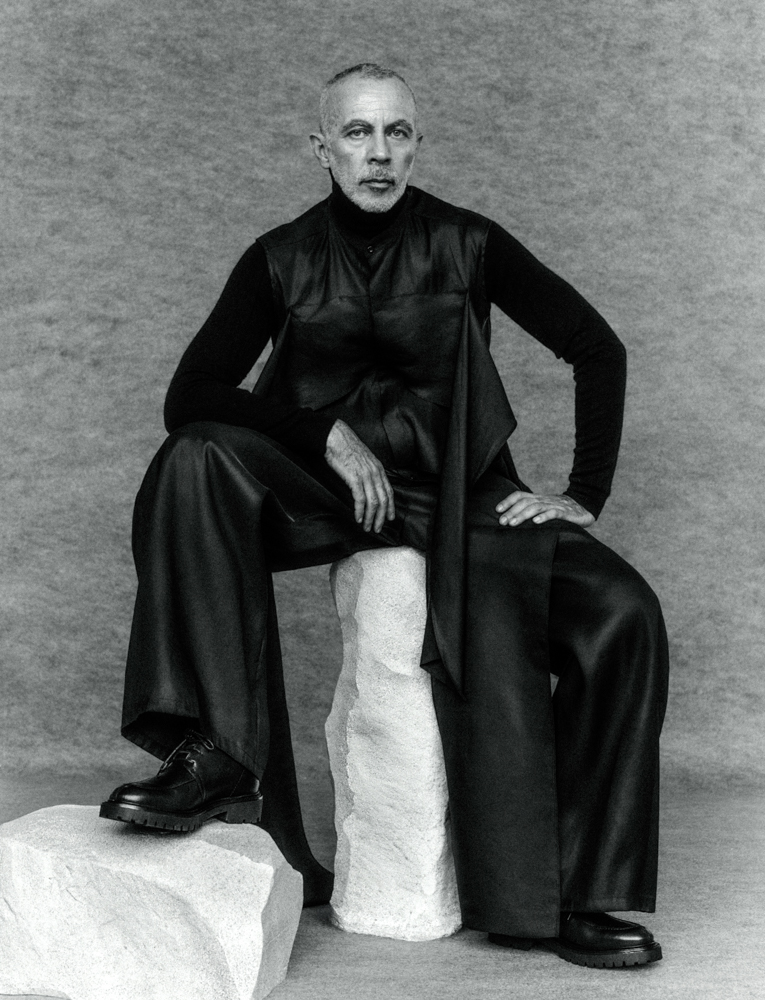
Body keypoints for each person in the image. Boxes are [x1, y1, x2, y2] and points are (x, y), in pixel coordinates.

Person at [101, 63, 669, 969]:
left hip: (455, 496)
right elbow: (191, 394)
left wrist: (582, 493)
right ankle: (214, 754)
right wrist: (322, 435)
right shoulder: (279, 256)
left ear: (415, 146)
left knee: (624, 614)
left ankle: (577, 892)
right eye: (357, 133)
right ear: (320, 147)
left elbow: (595, 347)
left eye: (395, 133)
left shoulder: (469, 242)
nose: (377, 153)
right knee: (193, 457)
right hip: (321, 492)